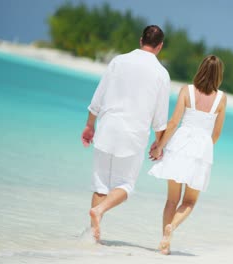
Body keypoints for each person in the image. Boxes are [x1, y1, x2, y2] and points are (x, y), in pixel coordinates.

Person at [81, 25, 170, 242]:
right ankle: (98, 214)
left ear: (141, 40)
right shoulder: (161, 74)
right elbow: (160, 118)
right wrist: (159, 145)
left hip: (107, 127)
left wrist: (90, 125)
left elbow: (98, 96)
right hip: (133, 135)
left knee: (100, 185)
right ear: (159, 46)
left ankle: (92, 238)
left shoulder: (118, 61)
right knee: (126, 186)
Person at [148, 55, 227, 255]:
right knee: (189, 202)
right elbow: (216, 133)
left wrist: (159, 145)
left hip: (179, 144)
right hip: (201, 149)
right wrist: (205, 148)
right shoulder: (221, 98)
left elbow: (173, 122)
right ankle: (171, 229)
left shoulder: (186, 90)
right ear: (219, 75)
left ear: (200, 69)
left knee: (171, 200)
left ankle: (165, 244)